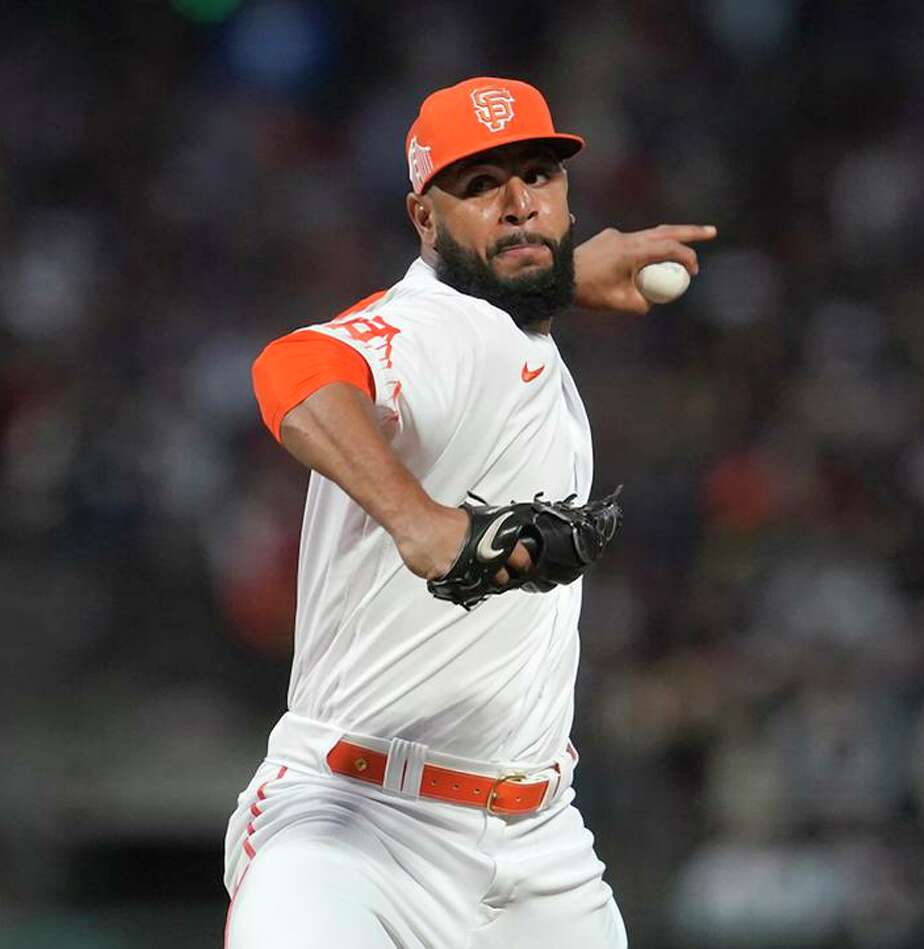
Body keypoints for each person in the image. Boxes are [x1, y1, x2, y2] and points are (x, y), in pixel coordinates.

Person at [224, 76, 716, 948]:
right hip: (356, 830)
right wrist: (421, 519)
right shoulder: (435, 327)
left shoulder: (510, 329)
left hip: (541, 844)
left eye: (539, 174)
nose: (520, 202)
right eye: (482, 185)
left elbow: (500, 321)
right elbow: (292, 373)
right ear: (424, 219)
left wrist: (560, 280)